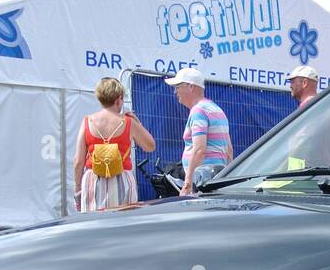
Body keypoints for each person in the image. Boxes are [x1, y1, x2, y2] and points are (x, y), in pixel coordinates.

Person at [72, 76, 154, 212]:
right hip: (122, 179)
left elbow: (78, 161)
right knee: (123, 226)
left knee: (92, 225)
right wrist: (139, 124)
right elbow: (150, 146)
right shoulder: (129, 122)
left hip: (93, 180)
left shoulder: (87, 121)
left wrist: (78, 189)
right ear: (118, 99)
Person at [165, 67, 231, 194]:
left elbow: (199, 149)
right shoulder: (217, 110)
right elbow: (229, 151)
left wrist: (188, 184)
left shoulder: (198, 111)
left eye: (177, 86)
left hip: (202, 182)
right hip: (216, 180)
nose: (175, 92)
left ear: (191, 87)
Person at [285, 65, 330, 167]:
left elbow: (301, 143)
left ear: (304, 83)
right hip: (319, 172)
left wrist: (279, 170)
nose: (290, 85)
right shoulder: (323, 108)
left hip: (306, 173)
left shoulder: (309, 108)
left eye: (292, 81)